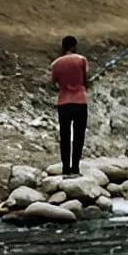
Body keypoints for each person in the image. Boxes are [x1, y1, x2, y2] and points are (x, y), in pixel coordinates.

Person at [50, 35, 89, 176]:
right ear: (74, 46)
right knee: (79, 136)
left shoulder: (55, 64)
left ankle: (65, 168)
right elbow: (85, 80)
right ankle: (76, 168)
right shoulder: (81, 60)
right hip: (80, 102)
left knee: (65, 136)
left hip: (63, 103)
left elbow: (53, 83)